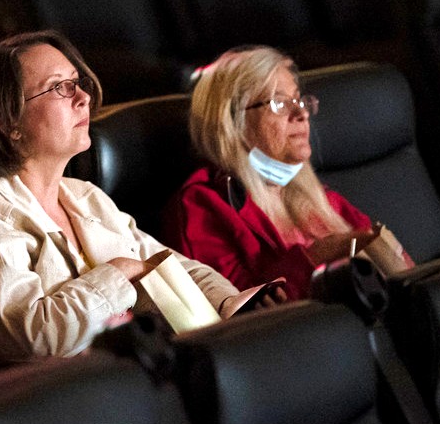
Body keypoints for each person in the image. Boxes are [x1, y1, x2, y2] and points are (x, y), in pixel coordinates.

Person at [0, 31, 270, 370]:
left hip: (112, 380)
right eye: (59, 87)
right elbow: (42, 339)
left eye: (77, 83)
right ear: (8, 123)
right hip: (40, 402)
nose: (83, 98)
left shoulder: (85, 197)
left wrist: (228, 303)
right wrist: (121, 272)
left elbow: (169, 265)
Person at [163, 45, 413, 300]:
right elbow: (238, 314)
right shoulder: (202, 207)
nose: (301, 113)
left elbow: (400, 267)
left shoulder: (323, 199)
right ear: (231, 121)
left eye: (300, 100)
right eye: (280, 103)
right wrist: (315, 257)